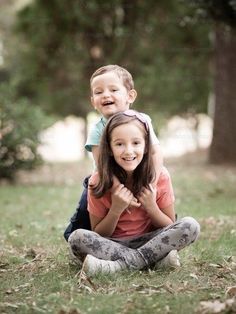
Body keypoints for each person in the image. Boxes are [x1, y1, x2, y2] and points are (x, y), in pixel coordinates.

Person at [68, 111, 200, 275]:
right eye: (119, 144)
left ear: (146, 147)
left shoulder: (160, 177)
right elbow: (99, 233)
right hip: (112, 244)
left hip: (151, 240)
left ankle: (117, 267)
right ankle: (155, 261)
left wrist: (152, 207)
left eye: (136, 143)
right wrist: (115, 209)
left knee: (190, 225)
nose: (128, 151)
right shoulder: (98, 181)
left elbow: (168, 225)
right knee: (77, 238)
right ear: (109, 149)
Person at [64, 65, 163, 241]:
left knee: (157, 206)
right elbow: (102, 165)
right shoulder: (97, 130)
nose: (106, 95)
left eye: (113, 89)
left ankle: (158, 235)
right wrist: (119, 190)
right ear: (93, 101)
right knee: (85, 209)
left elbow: (155, 153)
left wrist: (152, 184)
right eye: (99, 92)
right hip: (106, 181)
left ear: (130, 96)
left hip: (139, 176)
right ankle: (79, 238)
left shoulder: (143, 121)